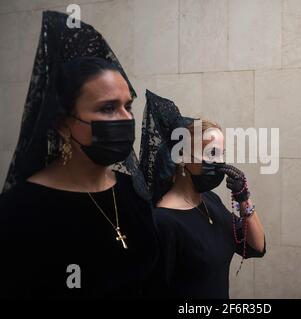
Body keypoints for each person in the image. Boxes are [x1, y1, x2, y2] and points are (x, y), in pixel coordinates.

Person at [0, 11, 159, 299]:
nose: (125, 119)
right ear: (63, 124)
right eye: (107, 108)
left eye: (128, 106)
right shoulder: (19, 211)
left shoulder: (131, 192)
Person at [139, 90, 266, 299]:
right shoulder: (163, 221)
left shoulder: (210, 201)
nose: (218, 162)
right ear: (181, 157)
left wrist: (244, 198)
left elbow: (256, 246)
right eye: (211, 154)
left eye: (221, 154)